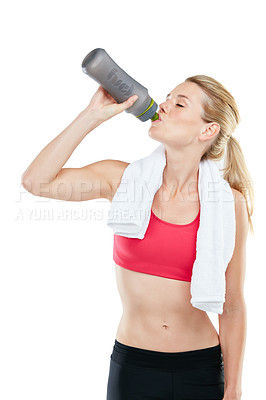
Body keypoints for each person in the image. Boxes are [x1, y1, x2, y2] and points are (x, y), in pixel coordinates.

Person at [21, 76, 254, 400]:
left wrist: (233, 389)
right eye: (168, 96)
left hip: (200, 369)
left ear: (207, 130)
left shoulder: (229, 203)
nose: (164, 104)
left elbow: (232, 307)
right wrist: (92, 115)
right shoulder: (122, 181)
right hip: (133, 368)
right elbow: (36, 182)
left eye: (179, 103)